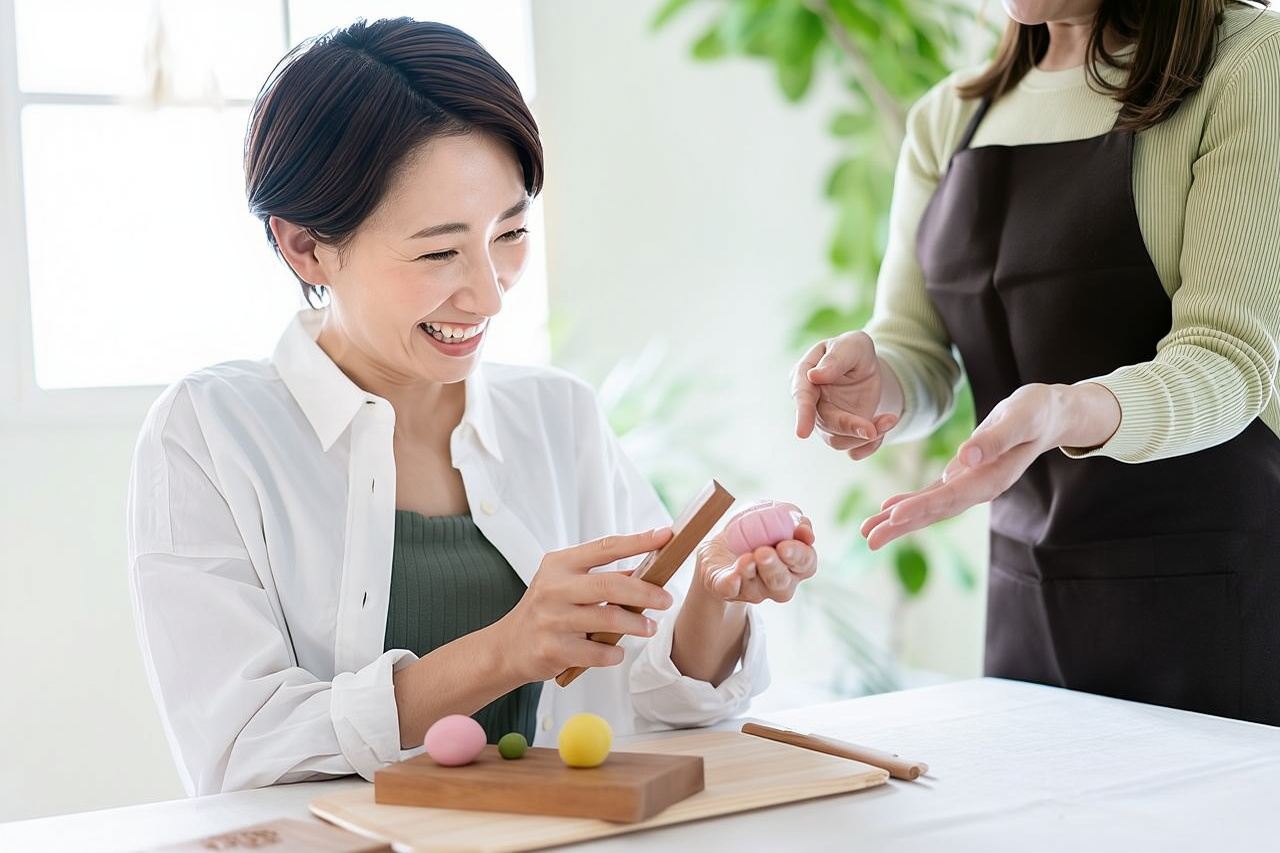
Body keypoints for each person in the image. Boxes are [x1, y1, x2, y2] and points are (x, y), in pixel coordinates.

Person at [127, 18, 818, 796]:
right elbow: (240, 747)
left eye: (511, 232)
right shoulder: (212, 434)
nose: (489, 293)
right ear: (306, 246)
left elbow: (656, 695)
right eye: (437, 252)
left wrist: (710, 599)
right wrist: (504, 649)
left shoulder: (559, 416)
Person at [792, 0, 1280, 724]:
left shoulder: (1248, 61)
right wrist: (873, 380)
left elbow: (1231, 359)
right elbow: (917, 349)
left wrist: (1066, 410)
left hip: (1216, 597)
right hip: (1028, 595)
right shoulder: (948, 118)